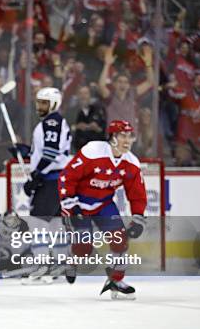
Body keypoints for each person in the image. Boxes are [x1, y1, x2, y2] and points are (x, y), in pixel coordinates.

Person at [58, 120, 147, 300]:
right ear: (112, 137)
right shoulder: (93, 151)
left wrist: (138, 217)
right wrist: (70, 204)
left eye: (130, 136)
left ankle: (116, 281)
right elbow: (67, 177)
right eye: (123, 135)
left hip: (104, 203)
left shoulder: (131, 163)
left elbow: (137, 193)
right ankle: (71, 258)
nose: (127, 140)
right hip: (78, 203)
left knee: (120, 240)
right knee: (84, 247)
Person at [23, 87, 71, 218]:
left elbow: (51, 153)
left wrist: (36, 175)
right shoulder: (51, 122)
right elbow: (47, 150)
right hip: (53, 181)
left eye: (44, 103)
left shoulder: (52, 123)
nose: (39, 106)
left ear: (54, 103)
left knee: (38, 223)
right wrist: (27, 152)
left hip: (51, 182)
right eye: (38, 102)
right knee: (54, 225)